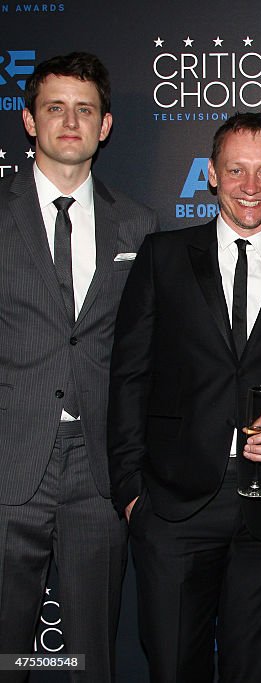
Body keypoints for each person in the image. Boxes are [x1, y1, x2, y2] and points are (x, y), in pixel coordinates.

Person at [107, 113, 261, 682]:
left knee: (251, 670)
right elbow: (128, 375)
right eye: (236, 170)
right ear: (211, 175)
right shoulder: (162, 256)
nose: (250, 186)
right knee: (172, 668)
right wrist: (131, 493)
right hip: (172, 507)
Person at [0, 52, 158, 682]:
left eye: (85, 109)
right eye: (55, 107)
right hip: (9, 466)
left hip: (99, 473)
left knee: (92, 661)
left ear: (107, 125)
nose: (70, 120)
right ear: (29, 121)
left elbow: (145, 355)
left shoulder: (138, 224)